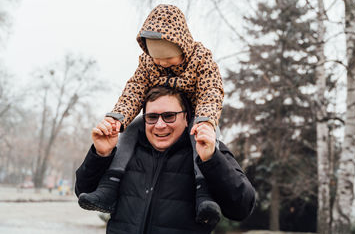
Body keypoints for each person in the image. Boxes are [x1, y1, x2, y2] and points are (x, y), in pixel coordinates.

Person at [78, 4, 225, 226]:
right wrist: (117, 118)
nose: (162, 64)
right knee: (130, 131)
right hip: (158, 113)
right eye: (157, 59)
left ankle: (203, 192)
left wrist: (206, 120)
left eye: (168, 59)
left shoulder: (201, 60)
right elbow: (135, 89)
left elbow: (211, 90)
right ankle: (109, 186)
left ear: (182, 48)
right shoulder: (148, 63)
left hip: (195, 118)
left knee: (200, 140)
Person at [75, 87, 255, 234]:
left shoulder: (207, 148)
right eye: (152, 117)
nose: (160, 125)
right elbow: (83, 191)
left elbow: (241, 207)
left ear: (186, 118)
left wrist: (211, 159)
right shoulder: (124, 150)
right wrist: (100, 154)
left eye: (169, 116)